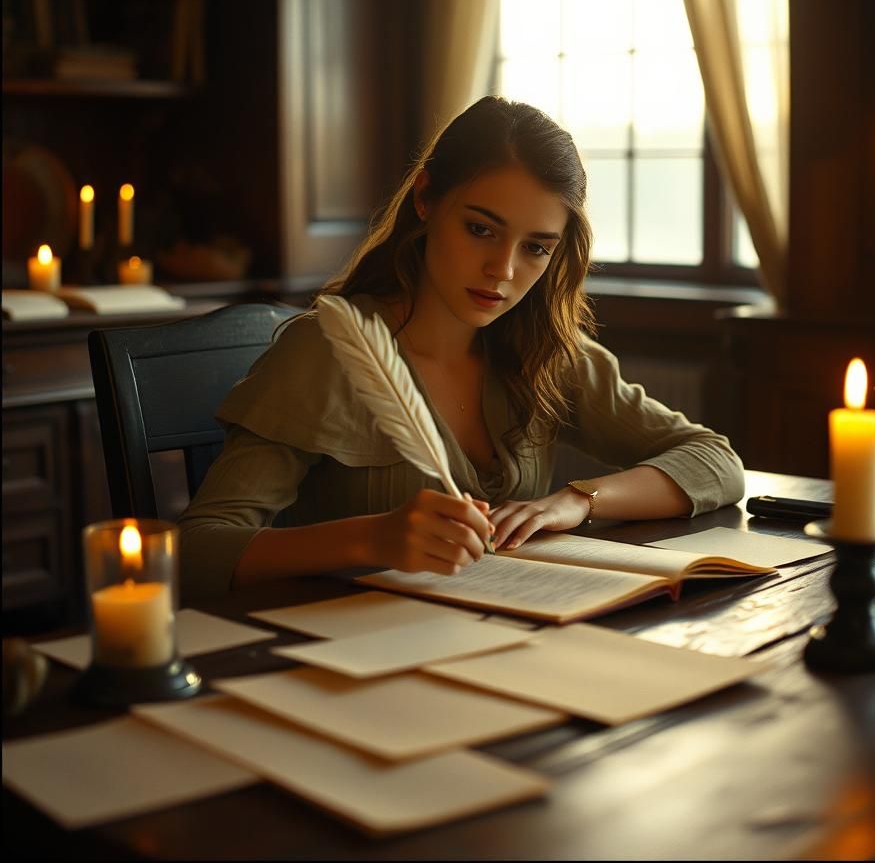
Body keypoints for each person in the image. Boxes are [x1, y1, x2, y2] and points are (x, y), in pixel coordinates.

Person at [178, 96, 745, 602]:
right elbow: (195, 553)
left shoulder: (544, 350)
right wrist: (373, 538)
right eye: (481, 229)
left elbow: (715, 462)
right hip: (351, 656)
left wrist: (577, 501)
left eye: (536, 248)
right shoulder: (327, 352)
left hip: (509, 643)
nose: (503, 271)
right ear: (426, 197)